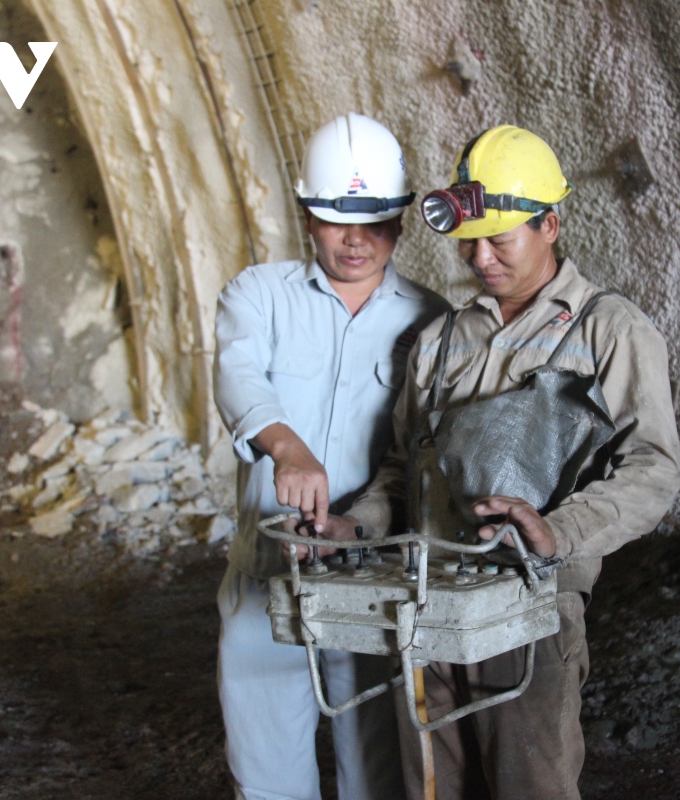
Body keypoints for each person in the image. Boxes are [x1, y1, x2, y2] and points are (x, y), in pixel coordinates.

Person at [329, 125, 680, 799]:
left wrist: (563, 532)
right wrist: (359, 524)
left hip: (533, 606)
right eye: (470, 240)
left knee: (528, 786)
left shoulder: (609, 330)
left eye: (500, 238)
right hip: (428, 604)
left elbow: (653, 467)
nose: (480, 257)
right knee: (433, 789)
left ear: (550, 223)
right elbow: (405, 470)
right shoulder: (440, 342)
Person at [212, 112, 449, 800]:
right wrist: (287, 448)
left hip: (372, 575)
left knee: (376, 771)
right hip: (268, 570)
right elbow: (240, 377)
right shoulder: (256, 294)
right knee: (267, 774)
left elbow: (426, 450)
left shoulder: (430, 323)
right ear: (307, 217)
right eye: (336, 220)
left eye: (375, 222)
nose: (355, 240)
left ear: (401, 224)